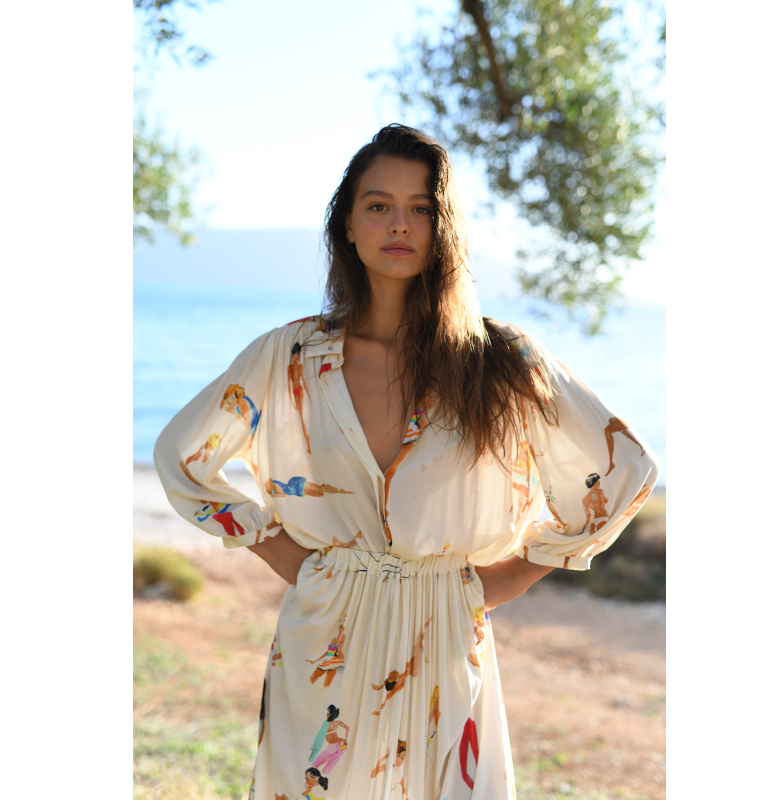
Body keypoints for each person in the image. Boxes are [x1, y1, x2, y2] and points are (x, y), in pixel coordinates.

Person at [154, 124, 660, 799]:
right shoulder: (290, 356)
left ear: (443, 227)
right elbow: (182, 456)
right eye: (378, 205)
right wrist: (280, 551)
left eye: (421, 207)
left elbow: (626, 467)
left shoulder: (501, 361)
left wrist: (515, 573)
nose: (400, 224)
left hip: (446, 628)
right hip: (325, 629)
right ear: (347, 226)